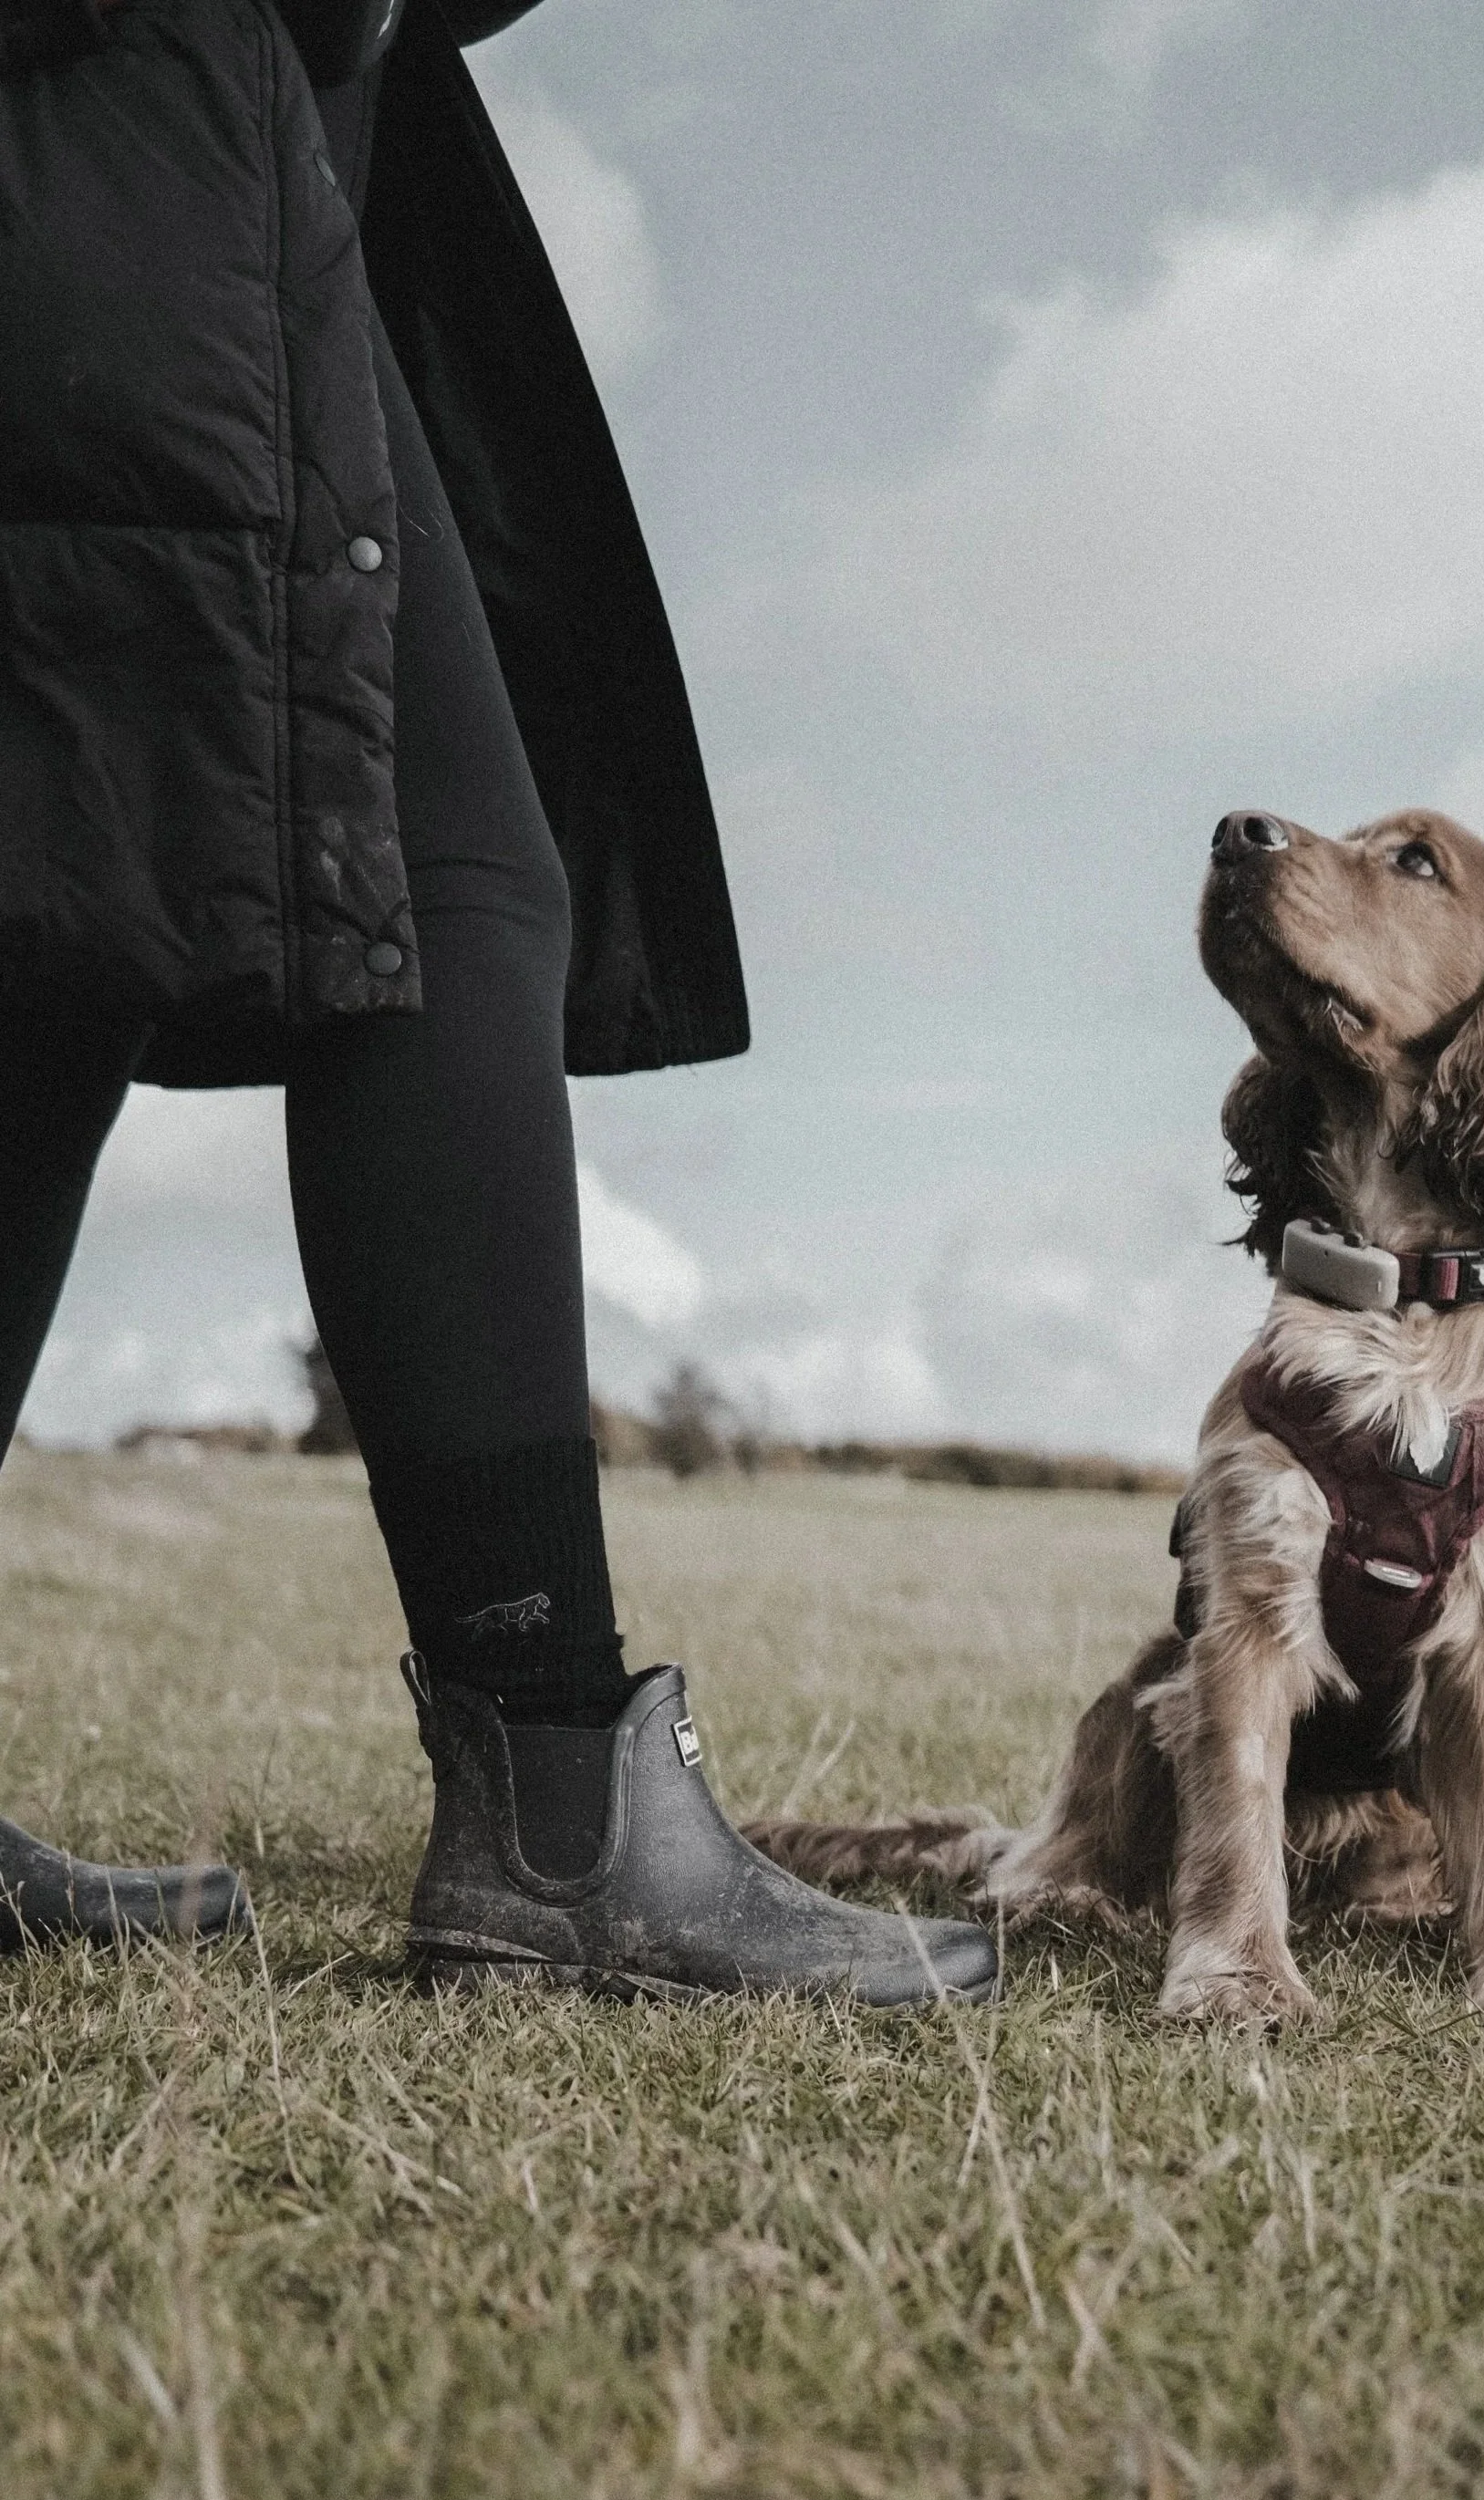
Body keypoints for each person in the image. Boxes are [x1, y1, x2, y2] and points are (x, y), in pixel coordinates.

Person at [0, 0, 996, 2003]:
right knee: (436, 883)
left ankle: (551, 1790)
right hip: (133, 121)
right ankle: (553, 1797)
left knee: (75, 905)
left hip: (198, 139)